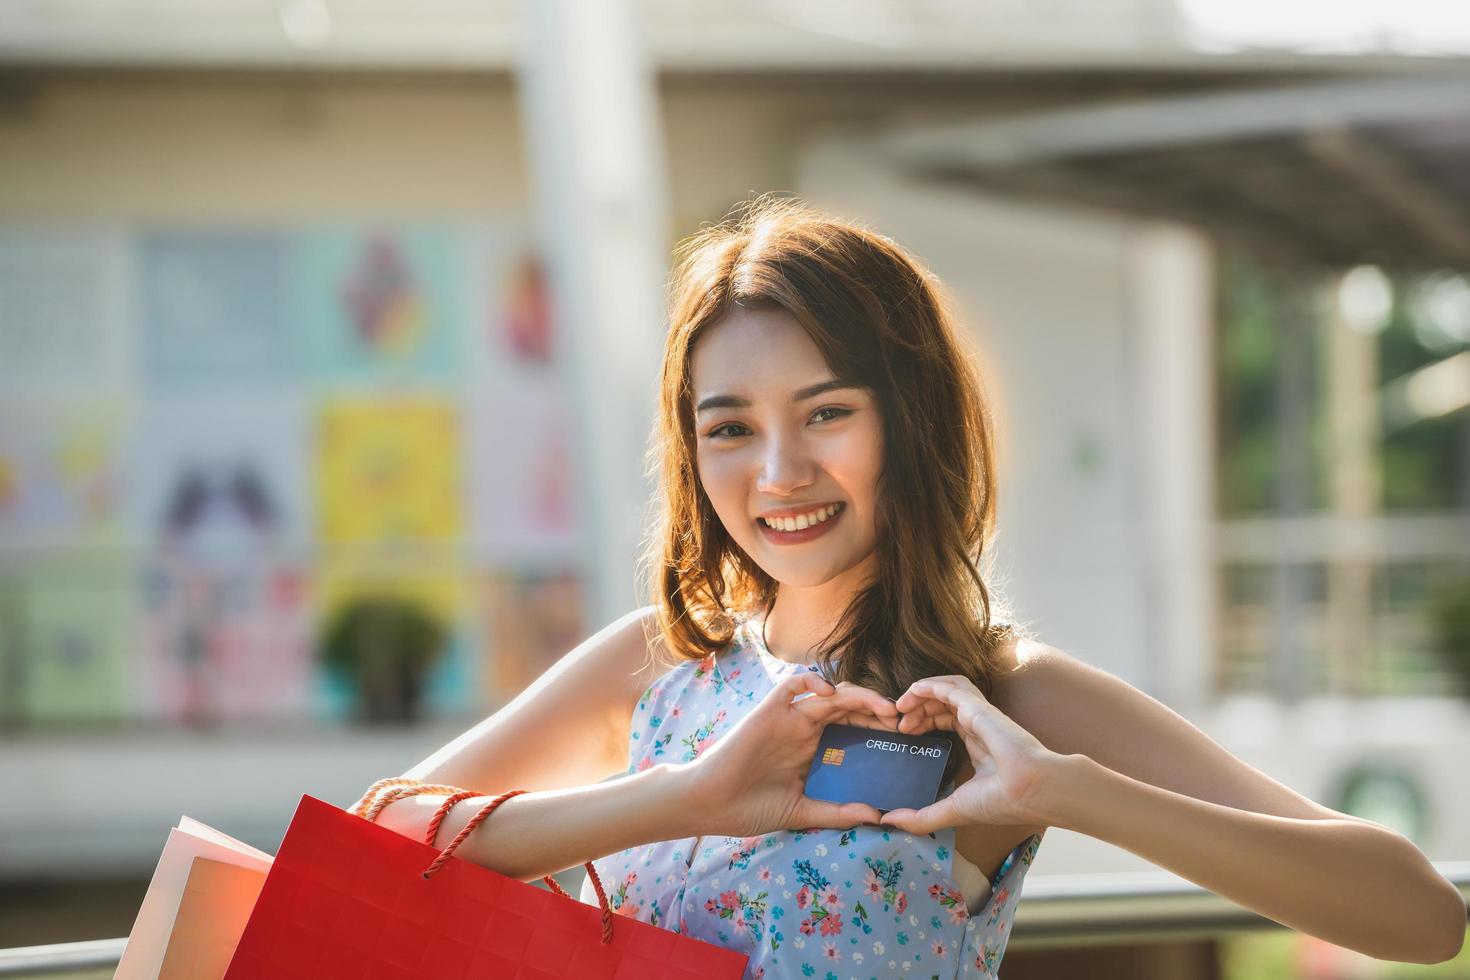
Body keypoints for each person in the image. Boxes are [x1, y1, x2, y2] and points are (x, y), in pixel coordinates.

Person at [372, 196, 1467, 976]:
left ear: (914, 415)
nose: (780, 472)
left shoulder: (1007, 698)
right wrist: (690, 793)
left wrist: (1067, 792)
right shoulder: (660, 662)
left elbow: (1419, 914)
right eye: (731, 428)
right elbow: (378, 832)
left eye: (827, 411)